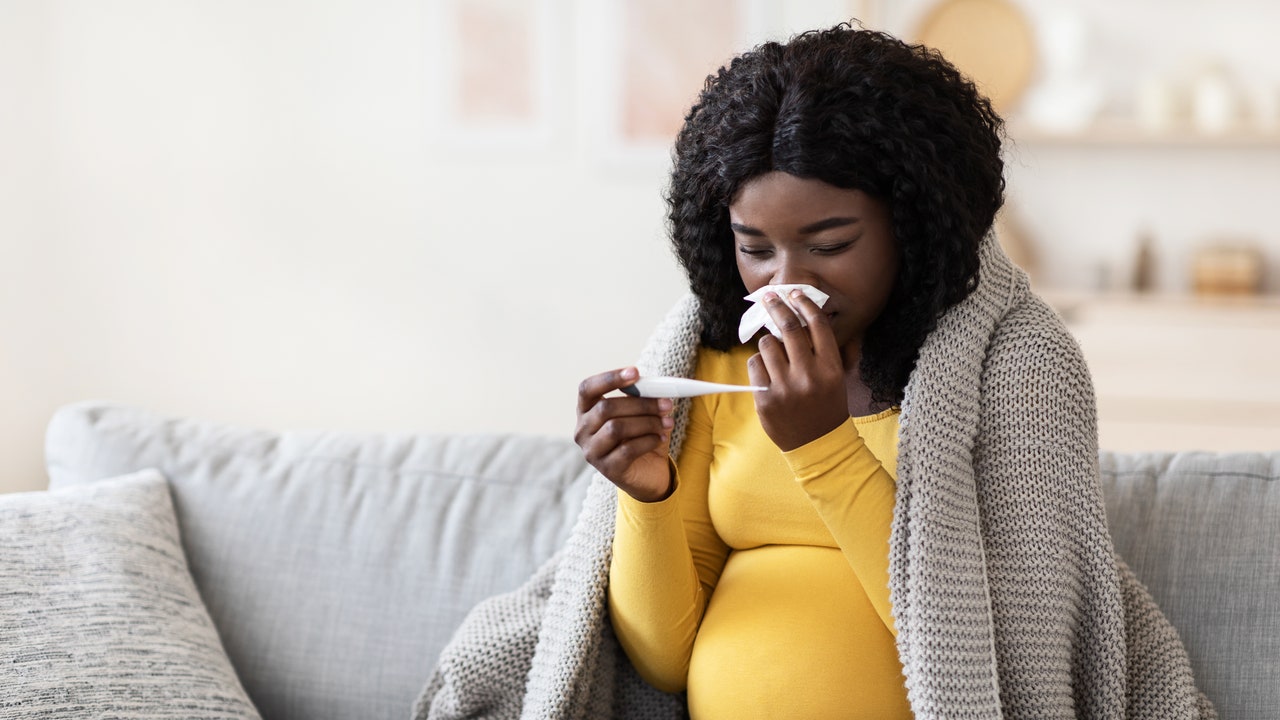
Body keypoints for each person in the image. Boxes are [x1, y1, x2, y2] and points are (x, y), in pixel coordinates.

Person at [417, 24, 1213, 720]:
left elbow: (1004, 660)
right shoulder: (710, 360)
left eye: (831, 244)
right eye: (755, 248)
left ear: (915, 219)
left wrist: (824, 448)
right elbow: (661, 662)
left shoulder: (1018, 366)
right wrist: (648, 495)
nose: (785, 283)